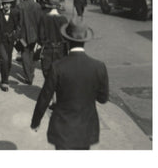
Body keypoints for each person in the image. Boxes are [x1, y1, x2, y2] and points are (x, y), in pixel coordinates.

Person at [30, 18, 109, 150]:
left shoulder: (57, 67)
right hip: (86, 128)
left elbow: (45, 97)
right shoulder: (99, 67)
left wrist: (36, 122)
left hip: (63, 128)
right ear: (85, 40)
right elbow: (103, 98)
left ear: (66, 40)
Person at [0, 0, 20, 91]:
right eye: (4, 3)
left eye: (8, 3)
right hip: (0, 40)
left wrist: (16, 36)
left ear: (11, 4)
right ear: (2, 4)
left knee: (8, 62)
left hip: (10, 40)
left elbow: (18, 27)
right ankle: (4, 82)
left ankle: (6, 76)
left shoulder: (14, 13)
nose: (6, 5)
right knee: (4, 59)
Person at [17, 0, 43, 85]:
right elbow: (40, 21)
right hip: (35, 34)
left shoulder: (20, 6)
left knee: (24, 53)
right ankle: (31, 73)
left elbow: (18, 23)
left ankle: (28, 76)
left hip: (23, 35)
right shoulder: (37, 6)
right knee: (32, 52)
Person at [38, 0, 68, 79]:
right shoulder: (63, 19)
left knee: (47, 72)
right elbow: (67, 37)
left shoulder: (44, 18)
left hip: (48, 48)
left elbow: (41, 36)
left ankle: (50, 89)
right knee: (60, 72)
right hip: (61, 49)